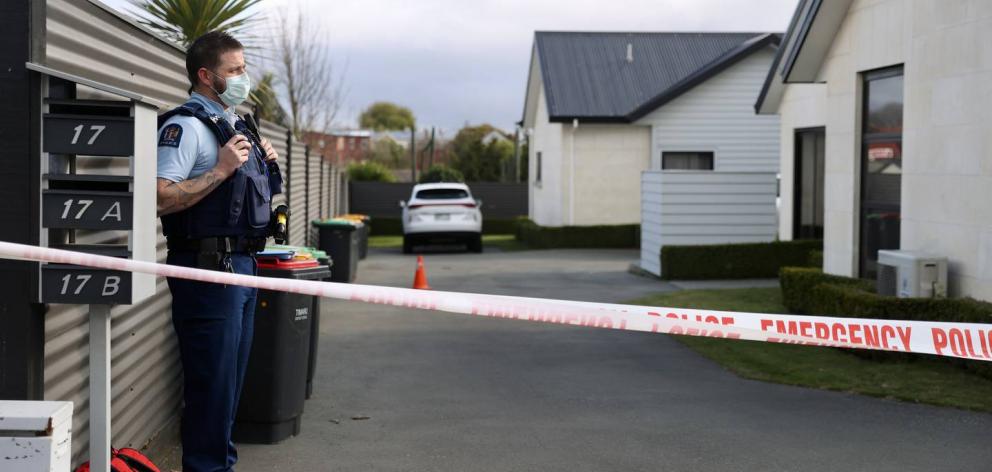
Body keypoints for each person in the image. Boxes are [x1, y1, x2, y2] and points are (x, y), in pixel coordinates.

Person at [156, 31, 280, 472]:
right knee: (211, 387)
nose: (245, 78)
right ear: (207, 76)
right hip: (206, 269)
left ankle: (219, 465)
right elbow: (162, 197)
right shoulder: (185, 126)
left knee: (229, 387)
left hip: (242, 266)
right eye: (236, 70)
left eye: (245, 68)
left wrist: (265, 160)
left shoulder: (235, 125)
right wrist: (224, 168)